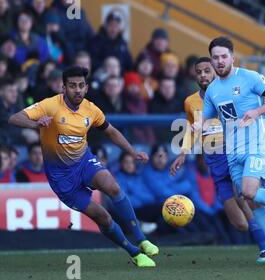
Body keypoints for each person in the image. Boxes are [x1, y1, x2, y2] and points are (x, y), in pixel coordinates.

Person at [8, 66, 159, 268]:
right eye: (72, 86)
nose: (77, 90)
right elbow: (15, 118)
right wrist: (35, 124)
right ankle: (134, 252)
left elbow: (111, 131)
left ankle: (142, 239)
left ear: (86, 87)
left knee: (112, 187)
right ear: (63, 88)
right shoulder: (50, 105)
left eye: (81, 86)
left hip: (84, 162)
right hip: (62, 179)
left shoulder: (91, 109)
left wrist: (132, 152)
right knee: (103, 217)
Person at [199, 37, 265, 265]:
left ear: (232, 57)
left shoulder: (249, 77)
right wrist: (197, 125)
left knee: (249, 192)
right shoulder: (212, 90)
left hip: (257, 145)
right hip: (232, 151)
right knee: (252, 202)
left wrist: (258, 111)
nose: (220, 61)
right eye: (216, 58)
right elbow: (206, 118)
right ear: (211, 60)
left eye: (224, 56)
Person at [170, 56, 265, 263]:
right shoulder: (190, 102)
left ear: (215, 72)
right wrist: (183, 152)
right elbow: (192, 129)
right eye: (199, 72)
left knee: (246, 200)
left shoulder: (227, 91)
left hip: (232, 151)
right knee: (240, 223)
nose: (203, 75)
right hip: (213, 159)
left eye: (207, 71)